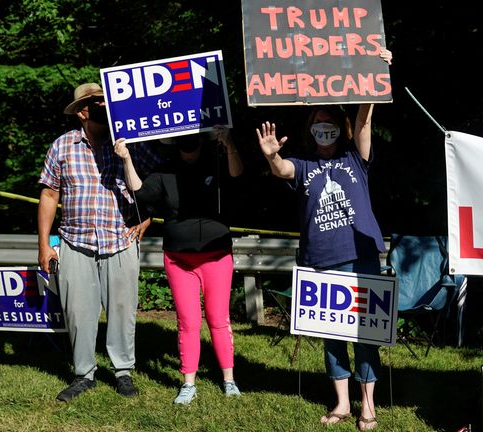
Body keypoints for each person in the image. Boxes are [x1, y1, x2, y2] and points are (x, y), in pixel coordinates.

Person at [256, 49, 392, 431]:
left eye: (330, 120)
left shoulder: (355, 159)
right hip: (320, 259)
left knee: (366, 335)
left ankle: (368, 406)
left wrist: (375, 74)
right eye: (318, 121)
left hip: (361, 254)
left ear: (341, 126)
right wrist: (271, 156)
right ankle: (342, 404)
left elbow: (365, 120)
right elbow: (283, 169)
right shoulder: (304, 165)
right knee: (332, 337)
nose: (324, 127)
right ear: (310, 129)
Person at [37, 82, 160, 401]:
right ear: (81, 111)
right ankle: (83, 374)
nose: (105, 109)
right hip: (75, 243)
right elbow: (49, 195)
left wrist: (147, 217)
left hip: (120, 240)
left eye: (107, 103)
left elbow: (157, 183)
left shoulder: (128, 144)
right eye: (96, 105)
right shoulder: (62, 146)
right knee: (78, 312)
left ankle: (123, 372)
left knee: (122, 310)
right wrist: (43, 245)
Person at [114, 125, 244, 405]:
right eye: (183, 142)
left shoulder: (218, 163)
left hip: (216, 255)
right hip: (178, 259)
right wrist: (126, 159)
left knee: (218, 319)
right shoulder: (166, 170)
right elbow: (141, 193)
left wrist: (229, 142)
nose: (189, 147)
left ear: (202, 141)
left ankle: (229, 380)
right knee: (188, 322)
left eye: (194, 142)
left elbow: (238, 175)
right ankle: (188, 383)